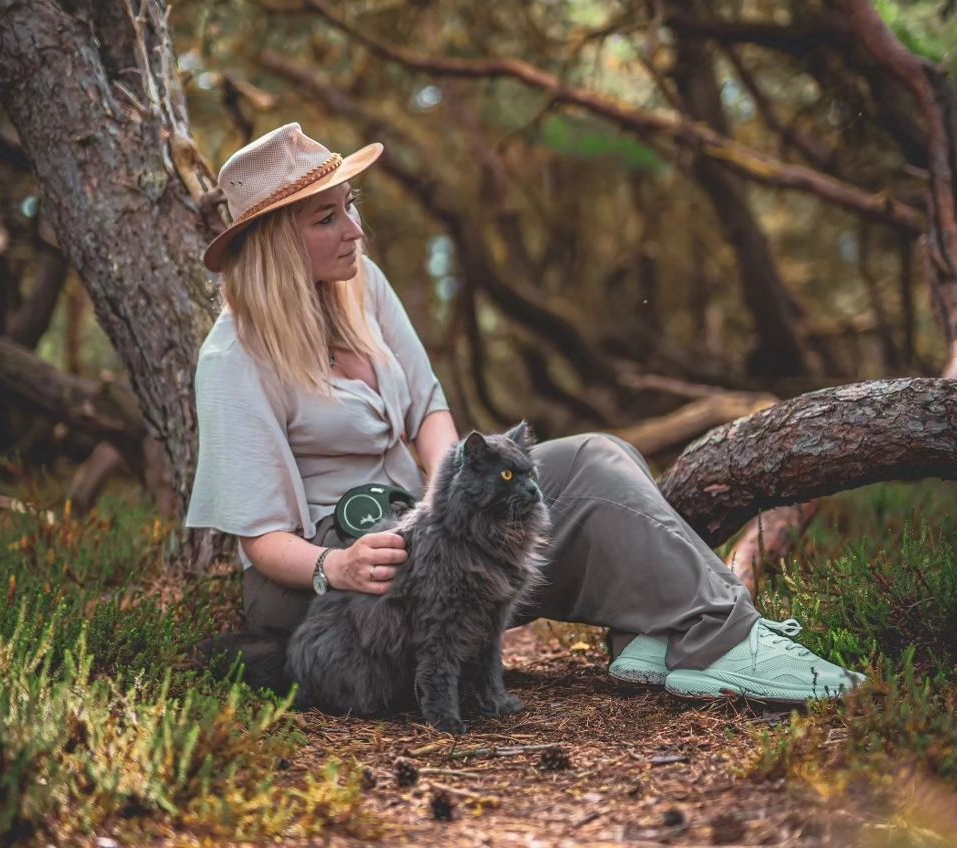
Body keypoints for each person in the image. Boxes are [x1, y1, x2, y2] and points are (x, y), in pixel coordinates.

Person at [185, 121, 865, 704]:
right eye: (327, 217)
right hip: (337, 583)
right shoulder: (233, 361)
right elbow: (261, 540)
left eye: (350, 204)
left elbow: (428, 406)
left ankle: (662, 633)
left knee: (603, 454)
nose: (355, 229)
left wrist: (440, 503)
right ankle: (721, 640)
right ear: (276, 238)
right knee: (593, 472)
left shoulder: (357, 278)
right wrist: (338, 567)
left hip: (425, 540)